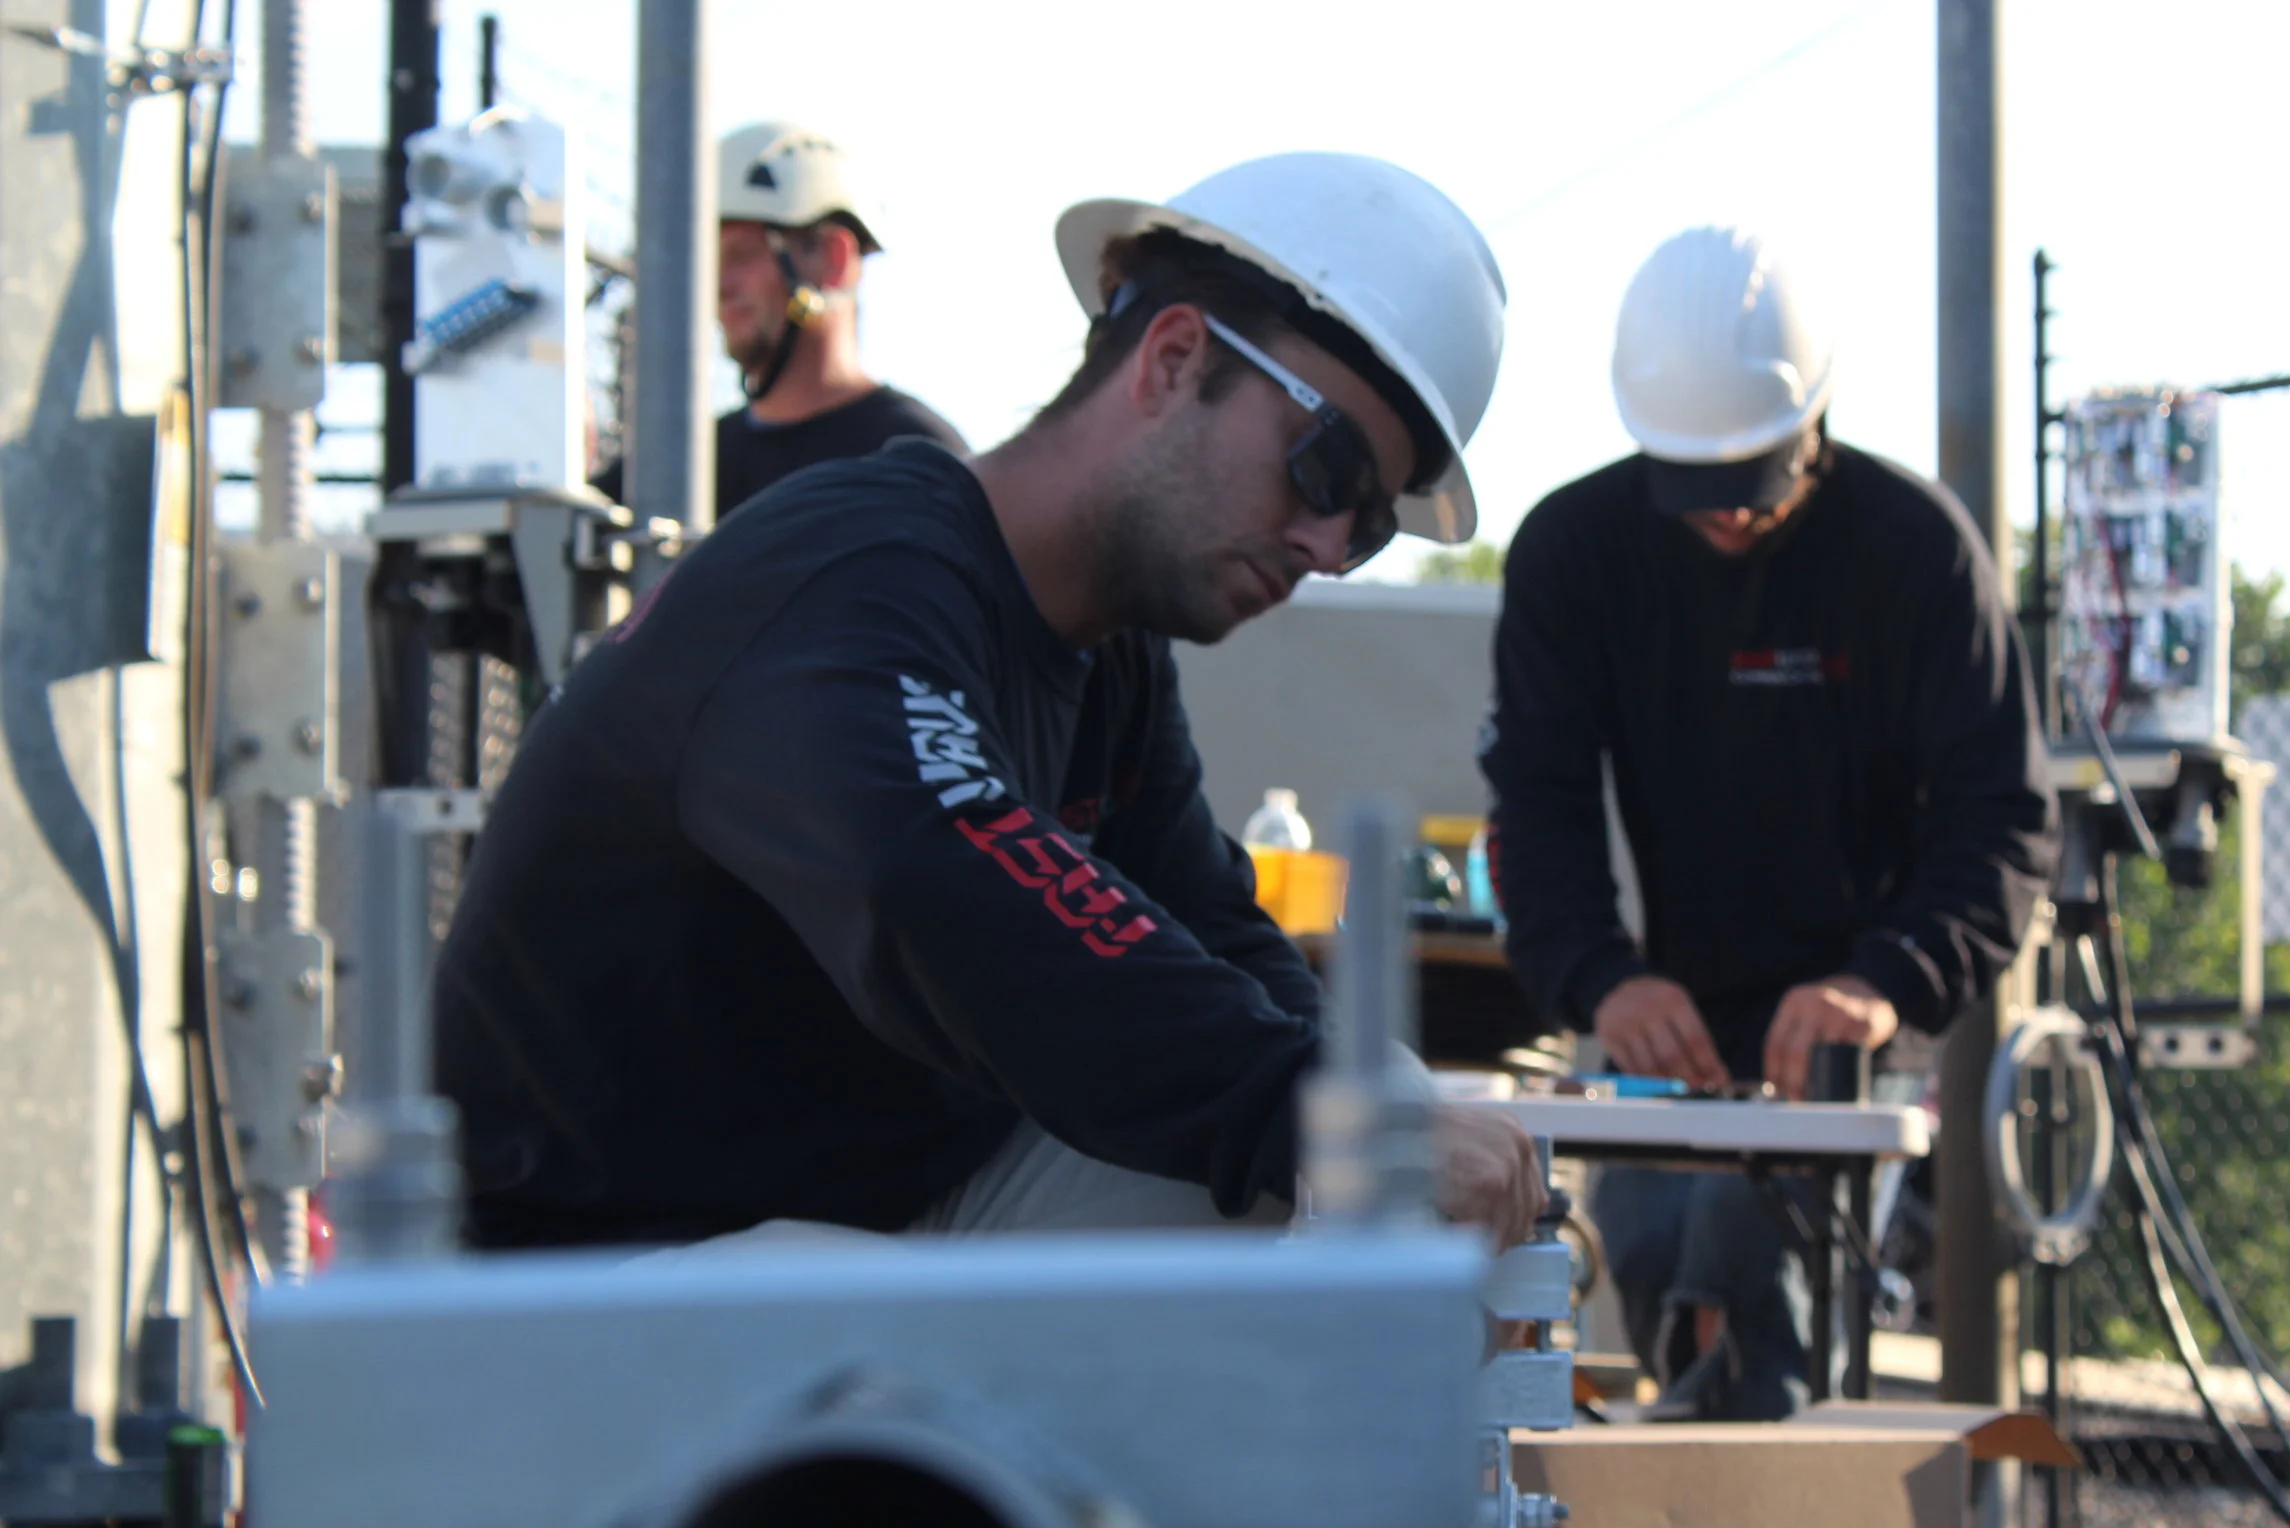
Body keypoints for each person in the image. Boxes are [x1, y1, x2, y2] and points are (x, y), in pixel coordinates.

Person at [435, 149, 1538, 1266]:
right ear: (1173, 358)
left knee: (1375, 1129)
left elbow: (1206, 931)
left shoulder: (1108, 646)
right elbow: (931, 878)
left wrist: (1374, 1113)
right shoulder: (855, 570)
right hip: (599, 1266)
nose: (1328, 547)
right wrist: (1308, 1114)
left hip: (869, 1212)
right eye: (1324, 468)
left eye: (1369, 527)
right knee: (1322, 1141)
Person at [1478, 225, 2056, 1421]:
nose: (1727, 519)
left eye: (1750, 481)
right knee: (1640, 1258)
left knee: (1758, 1285)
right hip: (1660, 1022)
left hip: (1849, 1019)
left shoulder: (1916, 555)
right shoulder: (1573, 554)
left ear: (1814, 424)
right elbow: (1535, 807)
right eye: (1696, 489)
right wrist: (1601, 978)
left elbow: (2001, 822)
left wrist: (1883, 980)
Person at [592, 122, 967, 519]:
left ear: (833, 259)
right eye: (707, 261)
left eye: (741, 255)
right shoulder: (674, 470)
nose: (718, 285)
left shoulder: (917, 462)